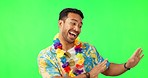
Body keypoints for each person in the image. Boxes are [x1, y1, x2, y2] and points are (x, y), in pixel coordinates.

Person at [38, 8, 144, 78]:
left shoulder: (88, 49)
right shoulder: (46, 56)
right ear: (61, 23)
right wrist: (88, 75)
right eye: (73, 23)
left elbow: (107, 68)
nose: (77, 29)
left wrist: (127, 65)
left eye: (80, 25)